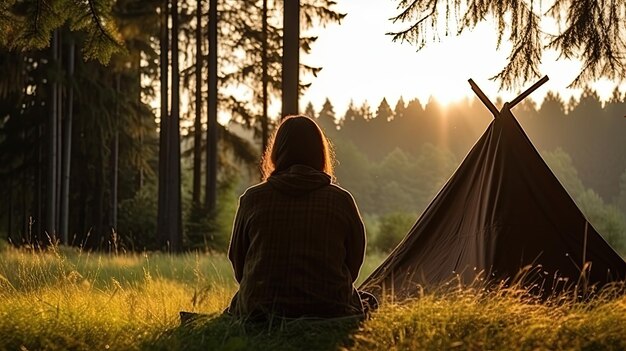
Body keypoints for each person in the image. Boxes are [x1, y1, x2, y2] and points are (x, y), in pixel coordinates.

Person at [227, 115, 376, 320]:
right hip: (330, 309)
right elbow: (354, 262)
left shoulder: (252, 199)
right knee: (369, 301)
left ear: (277, 152)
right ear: (319, 153)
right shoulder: (341, 200)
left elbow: (238, 261)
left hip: (260, 311)